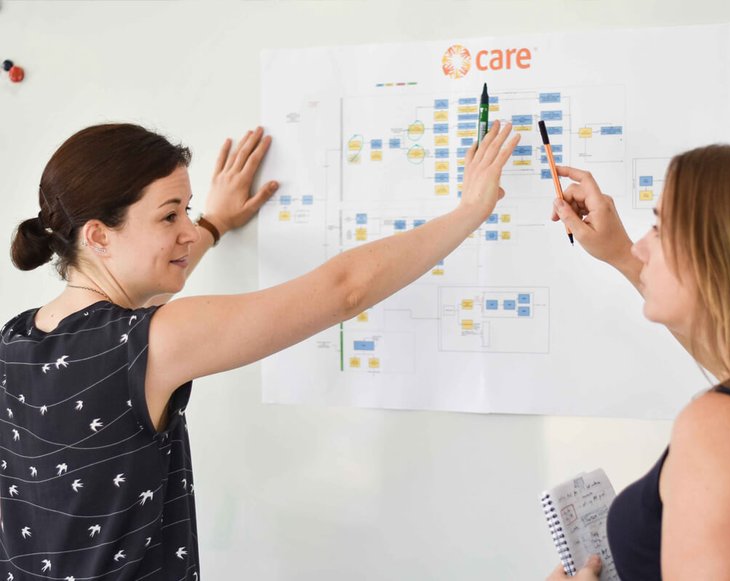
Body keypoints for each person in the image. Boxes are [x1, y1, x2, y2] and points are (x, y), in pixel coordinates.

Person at [1, 120, 519, 580]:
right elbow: (344, 291)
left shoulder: (15, 340)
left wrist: (214, 224)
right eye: (168, 217)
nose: (185, 230)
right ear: (98, 236)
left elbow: (142, 306)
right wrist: (469, 211)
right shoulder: (148, 342)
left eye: (188, 211)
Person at [546, 144, 730, 580]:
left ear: (724, 257)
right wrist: (619, 252)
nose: (643, 248)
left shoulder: (720, 427)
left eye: (660, 229)